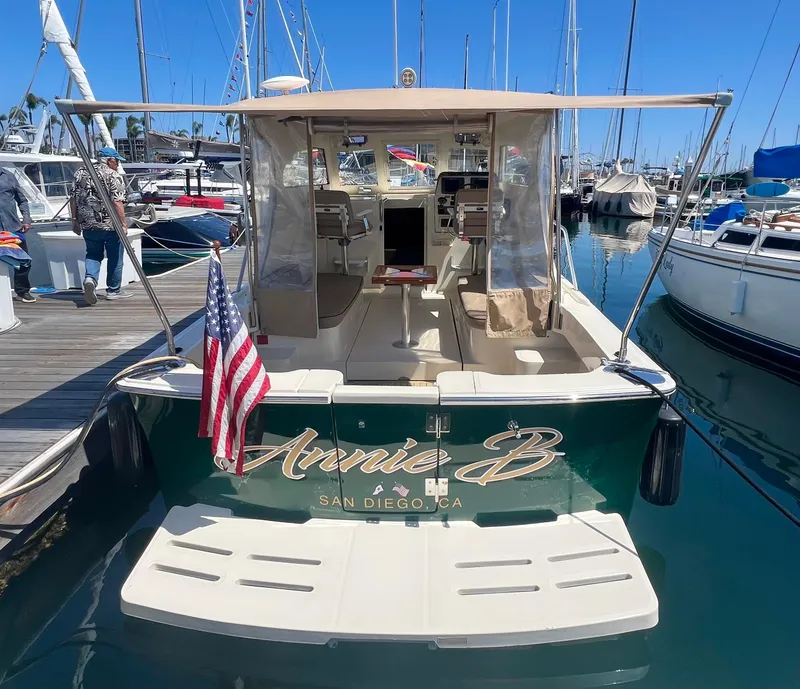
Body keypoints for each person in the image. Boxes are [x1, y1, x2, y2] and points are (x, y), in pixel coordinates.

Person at [70, 147, 133, 305]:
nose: (118, 164)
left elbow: (73, 198)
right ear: (109, 160)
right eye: (117, 161)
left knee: (92, 253)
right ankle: (113, 290)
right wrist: (123, 224)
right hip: (110, 224)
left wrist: (74, 220)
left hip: (88, 223)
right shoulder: (112, 175)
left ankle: (90, 278)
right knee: (115, 257)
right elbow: (117, 201)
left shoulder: (80, 173)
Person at [0, 166, 36, 303]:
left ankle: (22, 291)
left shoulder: (8, 176)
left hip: (12, 227)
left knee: (24, 260)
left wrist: (26, 220)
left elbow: (22, 200)